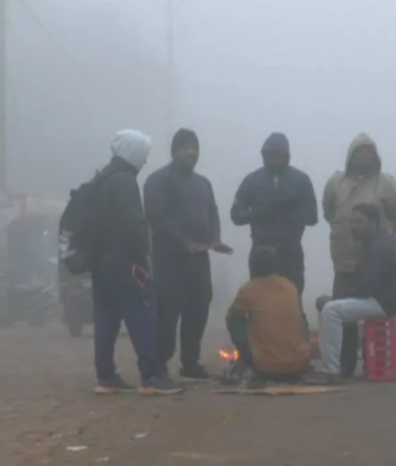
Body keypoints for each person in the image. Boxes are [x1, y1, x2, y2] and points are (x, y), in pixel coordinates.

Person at [91, 129, 183, 396]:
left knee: (106, 320)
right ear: (133, 153)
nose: (144, 161)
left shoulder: (102, 179)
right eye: (143, 155)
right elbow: (134, 225)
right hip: (126, 264)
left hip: (101, 264)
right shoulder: (125, 182)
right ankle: (151, 376)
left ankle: (105, 376)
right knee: (143, 315)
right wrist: (144, 253)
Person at [143, 128, 233, 380]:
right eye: (185, 147)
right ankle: (160, 363)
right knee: (168, 311)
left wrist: (215, 240)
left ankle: (190, 362)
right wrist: (185, 243)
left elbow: (213, 213)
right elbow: (157, 217)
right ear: (174, 151)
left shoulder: (203, 184)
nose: (191, 152)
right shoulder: (158, 181)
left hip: (199, 259)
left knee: (199, 307)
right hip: (169, 259)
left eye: (195, 147)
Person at [321, 132, 396, 378]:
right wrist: (344, 230)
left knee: (343, 307)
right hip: (343, 258)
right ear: (350, 155)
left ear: (375, 157)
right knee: (344, 317)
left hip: (372, 261)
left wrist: (386, 235)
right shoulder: (336, 182)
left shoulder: (386, 183)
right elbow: (328, 211)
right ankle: (344, 366)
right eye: (359, 151)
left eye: (368, 152)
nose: (363, 156)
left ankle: (368, 364)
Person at [306, 203, 396, 385]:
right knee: (327, 307)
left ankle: (331, 371)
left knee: (331, 310)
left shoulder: (380, 248)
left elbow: (367, 286)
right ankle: (333, 365)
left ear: (373, 223)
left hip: (385, 303)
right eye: (352, 222)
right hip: (378, 299)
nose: (354, 226)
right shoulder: (375, 243)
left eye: (359, 222)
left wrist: (335, 299)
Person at [230, 132, 318, 298]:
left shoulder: (301, 180)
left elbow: (313, 217)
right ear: (264, 156)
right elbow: (236, 216)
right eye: (271, 155)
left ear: (287, 156)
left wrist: (289, 210)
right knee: (260, 300)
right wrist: (262, 211)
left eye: (279, 155)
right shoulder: (252, 180)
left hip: (290, 250)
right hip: (261, 250)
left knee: (292, 299)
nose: (275, 159)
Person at [226, 246, 310, 384]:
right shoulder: (290, 286)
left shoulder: (248, 289)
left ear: (252, 267)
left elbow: (233, 316)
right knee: (300, 316)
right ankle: (299, 353)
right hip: (299, 364)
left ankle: (248, 360)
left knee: (234, 318)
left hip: (266, 368)